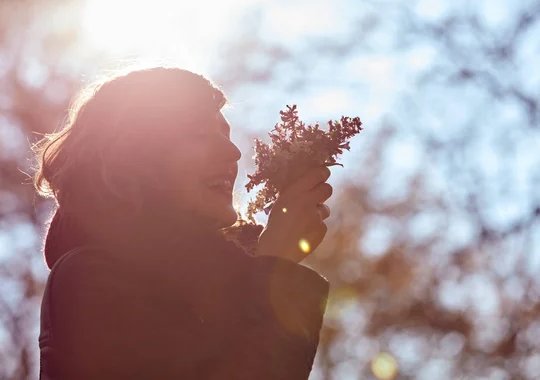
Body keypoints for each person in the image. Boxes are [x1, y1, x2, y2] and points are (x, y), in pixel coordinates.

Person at [34, 66, 333, 379]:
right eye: (200, 135)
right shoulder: (87, 279)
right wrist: (279, 268)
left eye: (226, 135)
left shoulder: (224, 285)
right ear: (136, 156)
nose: (232, 152)